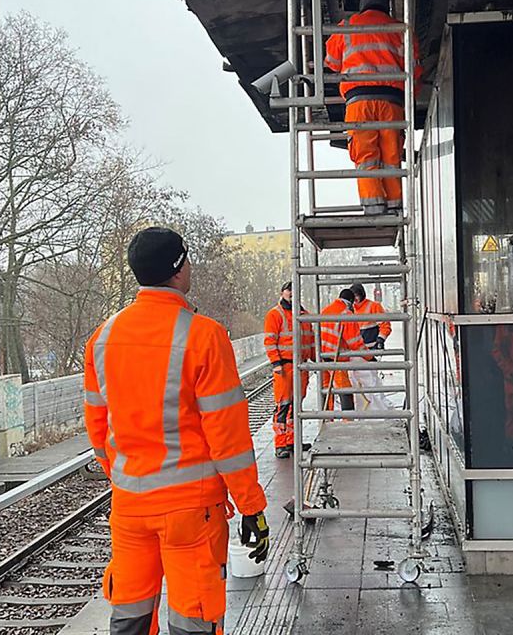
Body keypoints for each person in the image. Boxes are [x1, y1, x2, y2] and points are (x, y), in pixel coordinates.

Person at [84, 226, 268, 635]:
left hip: (129, 507)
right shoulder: (204, 336)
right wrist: (251, 504)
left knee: (129, 615)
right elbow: (229, 437)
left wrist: (124, 475)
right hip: (191, 511)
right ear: (178, 269)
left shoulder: (102, 339)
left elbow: (97, 428)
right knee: (193, 616)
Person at [324, 0, 423, 216]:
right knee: (391, 156)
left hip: (359, 102)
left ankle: (373, 209)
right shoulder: (402, 30)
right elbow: (415, 72)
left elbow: (331, 62)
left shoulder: (346, 28)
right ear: (387, 7)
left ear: (363, 5)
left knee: (366, 156)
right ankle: (395, 209)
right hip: (393, 103)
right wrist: (409, 102)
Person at [263, 281, 315, 458]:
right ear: (282, 292)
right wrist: (276, 363)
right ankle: (280, 444)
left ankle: (292, 441)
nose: (292, 293)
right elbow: (270, 340)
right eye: (288, 290)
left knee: (296, 406)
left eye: (294, 291)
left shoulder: (304, 315)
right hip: (285, 367)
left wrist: (316, 360)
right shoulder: (275, 314)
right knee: (283, 405)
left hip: (301, 366)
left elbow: (310, 340)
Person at [321, 288, 366, 411]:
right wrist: (369, 356)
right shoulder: (346, 314)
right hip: (335, 358)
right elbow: (355, 342)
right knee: (345, 389)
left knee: (326, 389)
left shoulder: (326, 310)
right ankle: (348, 421)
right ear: (351, 301)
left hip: (321, 357)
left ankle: (326, 419)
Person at [350, 282, 391, 350]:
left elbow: (385, 325)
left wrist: (380, 340)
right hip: (357, 350)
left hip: (372, 348)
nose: (354, 299)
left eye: (356, 295)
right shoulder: (351, 310)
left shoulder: (374, 306)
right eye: (352, 296)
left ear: (362, 294)